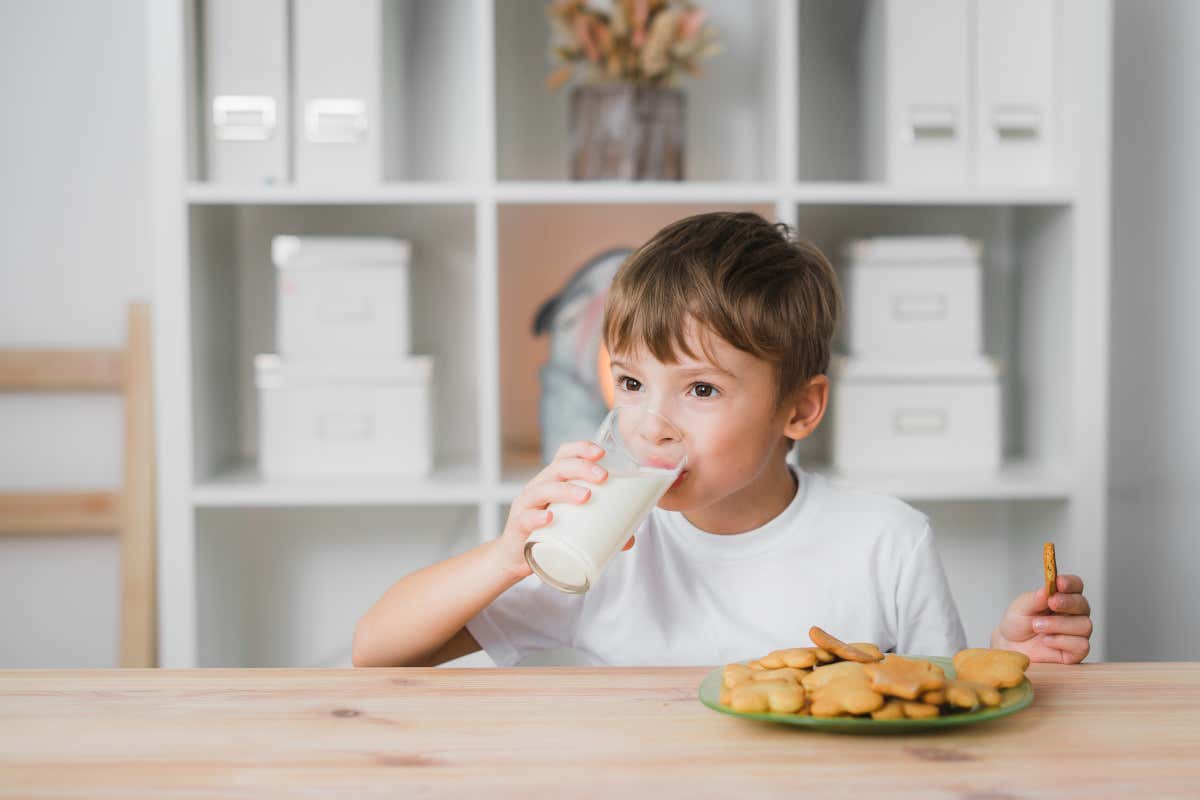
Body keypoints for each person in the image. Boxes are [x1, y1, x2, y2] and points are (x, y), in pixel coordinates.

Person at [353, 211, 1093, 668]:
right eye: (632, 384)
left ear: (798, 411)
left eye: (701, 390)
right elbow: (379, 652)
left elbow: (941, 710)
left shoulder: (886, 544)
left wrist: (1009, 659)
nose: (653, 423)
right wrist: (506, 556)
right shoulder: (604, 547)